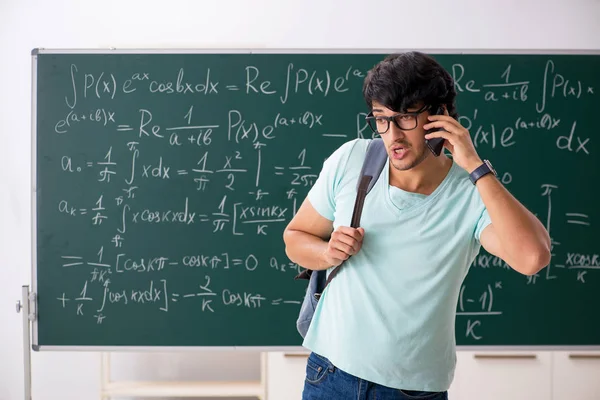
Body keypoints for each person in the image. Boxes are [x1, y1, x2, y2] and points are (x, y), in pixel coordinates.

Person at [282, 51, 551, 400]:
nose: (392, 136)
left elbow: (532, 258)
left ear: (439, 116)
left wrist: (474, 166)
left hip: (413, 391)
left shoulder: (471, 192)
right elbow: (295, 237)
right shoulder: (351, 160)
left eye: (406, 118)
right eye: (381, 119)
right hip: (330, 375)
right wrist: (327, 251)